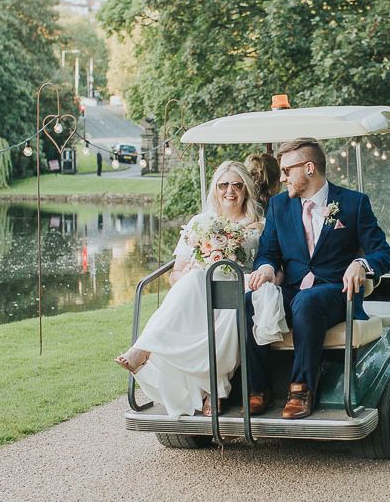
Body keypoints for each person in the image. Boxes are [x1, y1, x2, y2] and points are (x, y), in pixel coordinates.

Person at [246, 137, 390, 419]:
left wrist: (361, 263)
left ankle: (301, 389)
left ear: (309, 168)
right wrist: (264, 267)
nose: (283, 177)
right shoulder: (278, 206)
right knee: (250, 301)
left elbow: (383, 252)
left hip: (337, 292)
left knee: (307, 301)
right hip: (293, 289)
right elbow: (267, 253)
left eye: (287, 170)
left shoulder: (353, 204)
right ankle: (257, 389)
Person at [114, 161, 264, 417]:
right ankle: (144, 347)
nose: (230, 191)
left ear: (246, 190)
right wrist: (191, 270)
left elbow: (267, 263)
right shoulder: (201, 222)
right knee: (195, 279)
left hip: (242, 286)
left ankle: (215, 390)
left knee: (229, 311)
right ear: (215, 189)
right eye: (223, 185)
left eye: (237, 185)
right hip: (201, 290)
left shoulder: (258, 225)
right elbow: (176, 274)